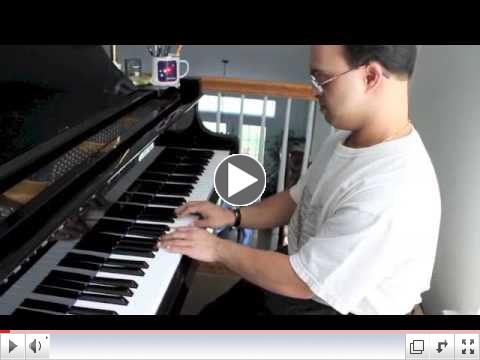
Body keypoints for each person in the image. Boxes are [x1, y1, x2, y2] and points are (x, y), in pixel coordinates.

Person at [158, 45, 441, 315]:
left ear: (370, 77)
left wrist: (216, 248)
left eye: (322, 79)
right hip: (301, 267)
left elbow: (302, 282)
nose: (314, 91)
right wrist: (233, 216)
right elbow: (297, 198)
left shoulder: (391, 188)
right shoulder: (345, 140)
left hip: (336, 307)